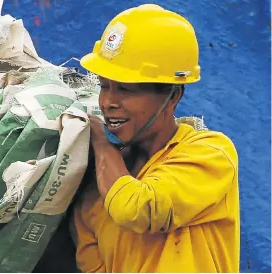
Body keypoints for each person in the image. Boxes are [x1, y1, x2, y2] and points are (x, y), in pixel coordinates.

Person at [71, 4, 240, 273]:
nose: (108, 102)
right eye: (104, 86)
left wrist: (102, 143)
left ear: (173, 96)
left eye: (126, 89)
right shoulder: (96, 192)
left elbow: (137, 209)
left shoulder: (210, 154)